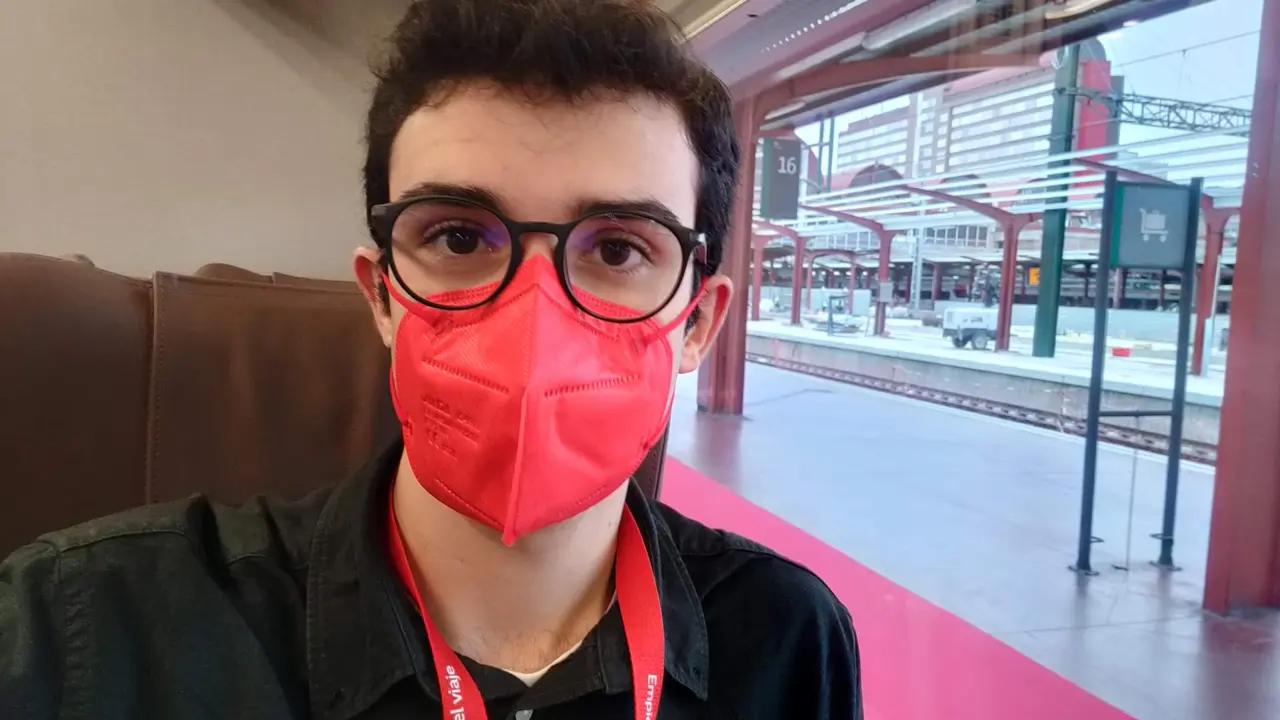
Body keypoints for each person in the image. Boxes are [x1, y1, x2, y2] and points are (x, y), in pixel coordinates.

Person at [0, 1, 861, 717]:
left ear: (697, 322)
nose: (535, 317)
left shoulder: (785, 639)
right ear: (381, 296)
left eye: (617, 249)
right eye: (459, 237)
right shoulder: (84, 627)